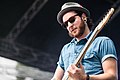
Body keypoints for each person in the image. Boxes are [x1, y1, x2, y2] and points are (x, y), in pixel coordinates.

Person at [52, 2, 118, 80]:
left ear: (83, 17)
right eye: (65, 24)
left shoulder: (103, 42)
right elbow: (56, 78)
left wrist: (85, 78)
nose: (69, 25)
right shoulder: (66, 49)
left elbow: (112, 76)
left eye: (72, 20)